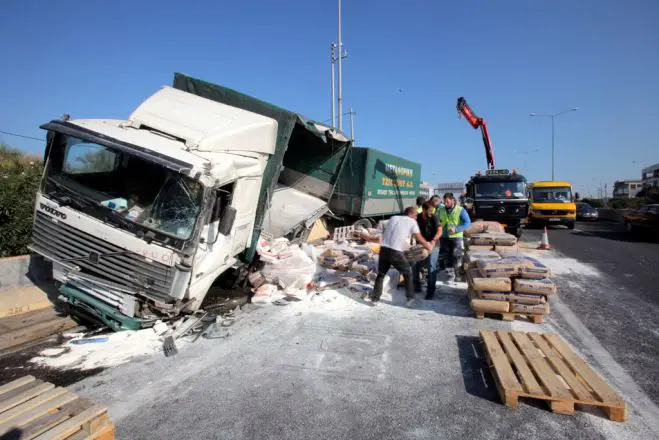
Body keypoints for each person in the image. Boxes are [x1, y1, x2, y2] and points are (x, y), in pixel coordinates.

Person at [370, 206, 434, 307]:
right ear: (412, 214)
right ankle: (410, 299)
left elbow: (384, 226)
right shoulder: (412, 222)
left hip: (383, 249)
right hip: (395, 252)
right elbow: (419, 237)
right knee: (408, 272)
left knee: (381, 274)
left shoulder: (393, 218)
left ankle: (375, 298)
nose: (416, 218)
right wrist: (428, 246)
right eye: (416, 215)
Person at [438, 192, 472, 283]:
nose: (445, 204)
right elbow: (437, 221)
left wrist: (457, 229)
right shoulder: (441, 209)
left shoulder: (460, 210)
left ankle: (457, 274)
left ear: (453, 200)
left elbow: (468, 222)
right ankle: (450, 274)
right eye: (444, 202)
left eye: (447, 202)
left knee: (456, 255)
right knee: (447, 256)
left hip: (456, 237)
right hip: (444, 236)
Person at [413, 202, 443, 300]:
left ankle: (430, 291)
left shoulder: (434, 217)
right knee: (414, 263)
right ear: (423, 210)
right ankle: (416, 286)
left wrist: (433, 241)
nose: (431, 213)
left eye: (432, 211)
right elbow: (415, 232)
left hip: (434, 244)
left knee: (431, 265)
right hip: (421, 243)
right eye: (429, 211)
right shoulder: (418, 218)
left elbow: (439, 231)